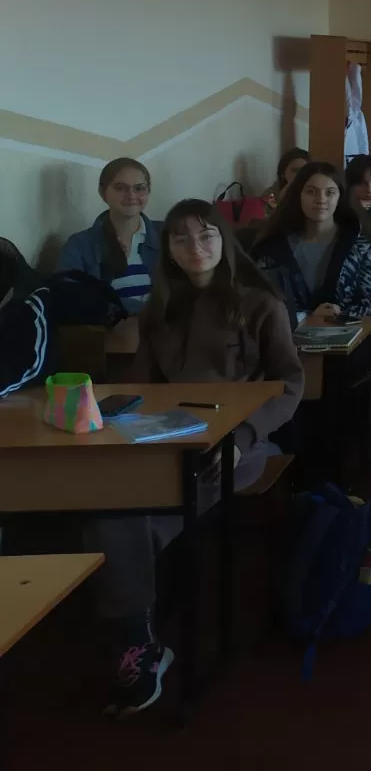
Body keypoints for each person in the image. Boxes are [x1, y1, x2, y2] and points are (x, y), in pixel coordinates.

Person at [84, 198, 302, 717]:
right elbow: (142, 390)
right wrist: (106, 418)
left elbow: (290, 385)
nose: (195, 247)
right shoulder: (159, 311)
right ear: (168, 250)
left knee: (132, 520)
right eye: (181, 239)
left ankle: (136, 633)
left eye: (206, 235)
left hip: (237, 448)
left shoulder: (260, 304)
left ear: (224, 241)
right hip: (168, 442)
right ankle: (140, 640)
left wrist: (243, 436)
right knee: (108, 509)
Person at [252, 161, 371, 323]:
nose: (321, 199)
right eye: (311, 192)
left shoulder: (360, 246)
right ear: (299, 195)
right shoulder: (274, 248)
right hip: (289, 336)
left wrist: (336, 315)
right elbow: (260, 302)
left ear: (340, 197)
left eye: (330, 193)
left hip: (348, 334)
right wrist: (308, 317)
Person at [58, 157, 162, 314]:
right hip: (112, 328)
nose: (131, 195)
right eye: (120, 188)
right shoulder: (79, 245)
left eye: (139, 188)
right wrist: (144, 311)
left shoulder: (167, 234)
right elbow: (67, 294)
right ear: (103, 192)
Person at [261, 147, 309, 213]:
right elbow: (268, 217)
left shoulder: (316, 191)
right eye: (295, 170)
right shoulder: (270, 194)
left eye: (304, 170)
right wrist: (281, 201)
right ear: (283, 172)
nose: (300, 174)